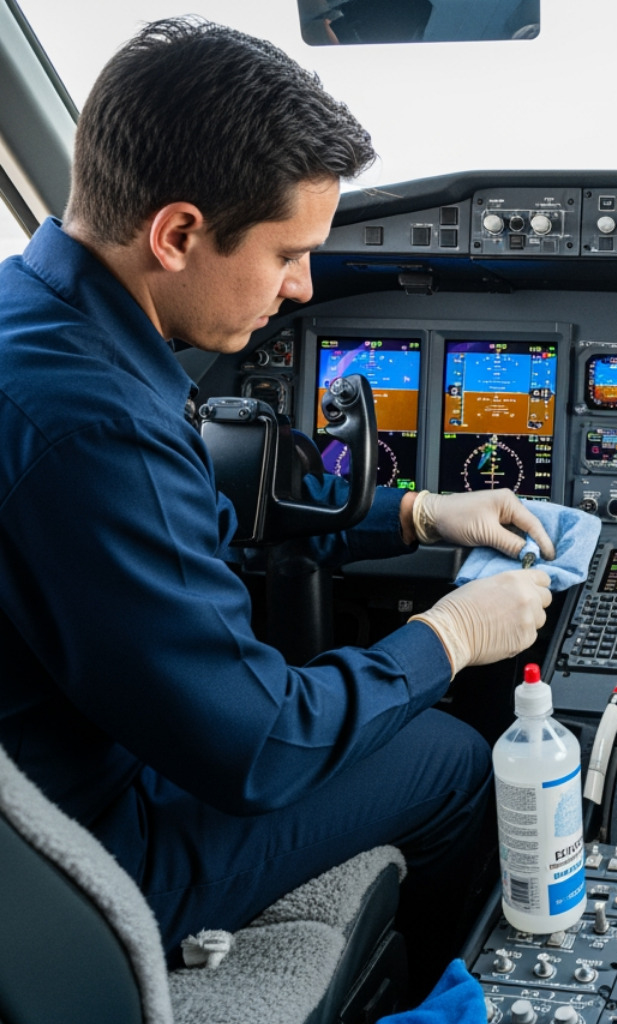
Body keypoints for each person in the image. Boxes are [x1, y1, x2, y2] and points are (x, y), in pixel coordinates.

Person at [0, 16, 552, 975]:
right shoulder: (100, 429)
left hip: (40, 798)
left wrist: (414, 514)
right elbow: (262, 747)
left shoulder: (37, 320)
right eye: (287, 254)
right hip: (79, 865)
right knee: (454, 758)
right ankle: (442, 990)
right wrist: (452, 636)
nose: (301, 288)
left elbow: (209, 504)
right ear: (177, 233)